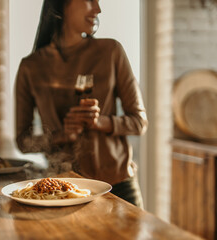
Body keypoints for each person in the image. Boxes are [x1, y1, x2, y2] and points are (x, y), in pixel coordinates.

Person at [15, 0, 148, 208]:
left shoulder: (111, 51)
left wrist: (100, 122)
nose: (98, 9)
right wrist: (62, 134)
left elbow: (139, 122)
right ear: (61, 6)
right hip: (62, 192)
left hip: (119, 187)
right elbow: (23, 142)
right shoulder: (31, 67)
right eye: (89, 0)